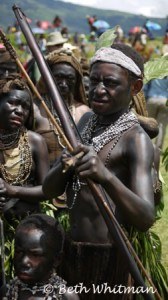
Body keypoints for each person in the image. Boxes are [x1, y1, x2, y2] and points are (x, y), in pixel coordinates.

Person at [43, 44, 155, 299]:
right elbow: (51, 190)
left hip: (111, 258)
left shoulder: (135, 139)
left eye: (110, 83)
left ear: (134, 88)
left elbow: (146, 217)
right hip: (71, 249)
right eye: (93, 80)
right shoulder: (85, 122)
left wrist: (105, 177)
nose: (98, 90)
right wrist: (63, 164)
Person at [0, 74, 49, 221]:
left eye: (26, 107)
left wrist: (13, 191)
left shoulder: (35, 142)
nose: (20, 111)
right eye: (13, 103)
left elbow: (46, 190)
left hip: (26, 226)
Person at [0, 213, 79, 299]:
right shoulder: (7, 292)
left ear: (57, 259)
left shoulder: (65, 296)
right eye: (19, 252)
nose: (24, 261)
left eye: (35, 255)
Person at [34, 48, 90, 167]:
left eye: (69, 79)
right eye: (58, 77)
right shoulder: (34, 109)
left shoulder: (84, 112)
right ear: (47, 77)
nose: (64, 84)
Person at [144, 75, 168, 150]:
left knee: (147, 124)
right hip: (164, 101)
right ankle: (157, 148)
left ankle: (144, 144)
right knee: (161, 126)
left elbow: (145, 87)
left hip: (152, 99)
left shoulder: (154, 74)